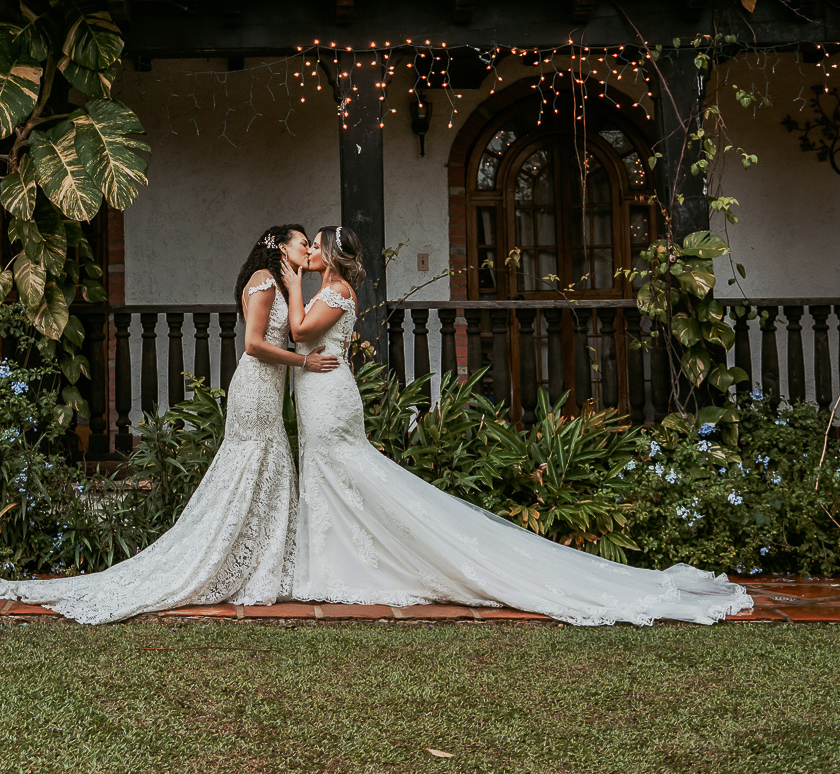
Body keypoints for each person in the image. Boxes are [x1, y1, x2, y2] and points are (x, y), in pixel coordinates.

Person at [282, 226, 753, 627]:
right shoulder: (329, 288)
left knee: (343, 472)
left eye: (316, 246)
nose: (310, 253)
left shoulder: (337, 291)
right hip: (317, 390)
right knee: (330, 477)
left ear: (331, 256)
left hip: (329, 397)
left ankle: (344, 566)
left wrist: (292, 284)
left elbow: (301, 333)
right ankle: (332, 564)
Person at [0, 223, 338, 624]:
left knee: (266, 472)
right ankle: (217, 563)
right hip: (254, 391)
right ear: (280, 246)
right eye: (303, 243)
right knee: (249, 469)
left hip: (269, 392)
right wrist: (304, 361)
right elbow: (254, 344)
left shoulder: (282, 283)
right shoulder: (263, 281)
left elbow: (293, 329)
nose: (308, 250)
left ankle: (260, 565)